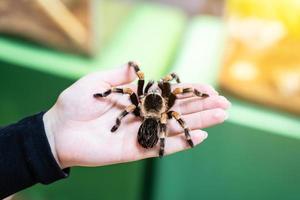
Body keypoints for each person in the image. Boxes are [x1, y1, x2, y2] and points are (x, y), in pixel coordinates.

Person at [0, 63, 231, 199]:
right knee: (177, 107)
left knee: (140, 91)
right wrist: (183, 135)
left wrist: (113, 108)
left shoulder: (136, 104)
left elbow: (126, 95)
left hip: (146, 116)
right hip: (156, 119)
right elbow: (179, 93)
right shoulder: (167, 111)